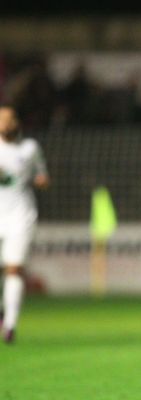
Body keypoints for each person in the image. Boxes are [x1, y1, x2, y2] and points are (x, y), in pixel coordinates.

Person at [0, 104, 49, 343]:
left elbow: (42, 175)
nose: (6, 124)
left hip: (21, 215)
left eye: (10, 119)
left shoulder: (30, 148)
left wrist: (40, 179)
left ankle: (9, 324)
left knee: (13, 268)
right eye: (2, 120)